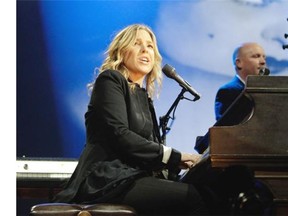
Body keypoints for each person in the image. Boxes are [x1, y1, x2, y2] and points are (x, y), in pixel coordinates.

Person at [53, 25, 266, 215]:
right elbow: (121, 135)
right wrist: (176, 156)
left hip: (132, 177)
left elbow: (149, 151)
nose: (146, 50)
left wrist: (185, 165)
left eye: (150, 46)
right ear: (121, 51)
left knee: (212, 194)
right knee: (193, 199)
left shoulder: (143, 96)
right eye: (137, 44)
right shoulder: (110, 80)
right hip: (108, 181)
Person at [214, 42, 267, 121]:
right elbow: (224, 129)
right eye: (256, 56)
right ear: (239, 63)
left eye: (264, 57)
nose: (263, 62)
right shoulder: (228, 91)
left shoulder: (265, 91)